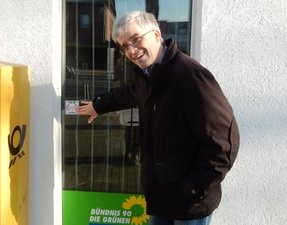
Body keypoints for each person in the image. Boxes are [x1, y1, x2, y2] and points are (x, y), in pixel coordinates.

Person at [76, 11, 240, 225]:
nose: (132, 51)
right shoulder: (148, 75)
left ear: (156, 34)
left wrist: (194, 188)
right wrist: (98, 106)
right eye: (125, 46)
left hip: (190, 204)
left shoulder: (191, 76)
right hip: (161, 197)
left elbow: (224, 143)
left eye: (136, 40)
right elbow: (129, 93)